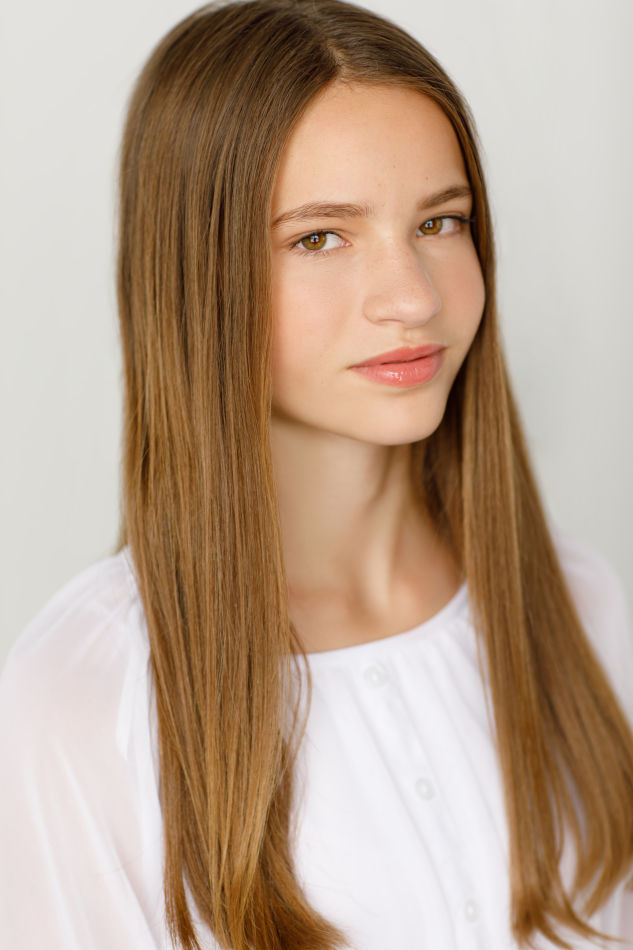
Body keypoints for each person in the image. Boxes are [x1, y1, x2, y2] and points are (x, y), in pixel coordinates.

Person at [1, 1, 632, 948]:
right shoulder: (88, 698)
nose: (412, 297)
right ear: (197, 277)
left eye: (441, 221)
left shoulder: (578, 603)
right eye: (319, 238)